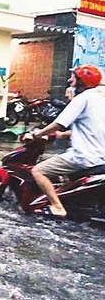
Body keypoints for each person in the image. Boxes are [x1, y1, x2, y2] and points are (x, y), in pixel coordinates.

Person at [27, 64, 105, 217]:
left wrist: (38, 133)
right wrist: (61, 135)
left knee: (38, 170)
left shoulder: (81, 99)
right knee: (57, 165)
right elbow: (90, 128)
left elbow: (59, 123)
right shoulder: (100, 100)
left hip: (83, 156)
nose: (70, 80)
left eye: (74, 78)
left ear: (82, 81)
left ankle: (57, 207)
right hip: (100, 156)